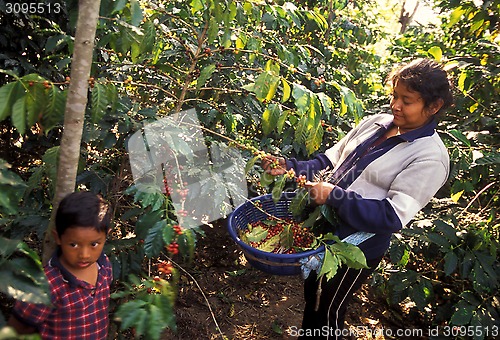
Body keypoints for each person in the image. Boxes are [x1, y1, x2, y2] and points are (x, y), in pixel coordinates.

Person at [261, 58, 454, 339]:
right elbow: (329, 161)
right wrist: (290, 167)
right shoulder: (376, 124)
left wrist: (334, 197)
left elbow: (392, 216)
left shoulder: (430, 157)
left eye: (407, 101)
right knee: (311, 296)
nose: (395, 106)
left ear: (434, 106)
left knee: (330, 309)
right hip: (323, 231)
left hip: (355, 246)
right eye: (394, 96)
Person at [8, 191, 113, 339]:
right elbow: (18, 328)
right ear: (58, 238)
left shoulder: (104, 266)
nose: (84, 254)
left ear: (106, 236)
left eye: (94, 244)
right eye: (73, 244)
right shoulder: (46, 285)